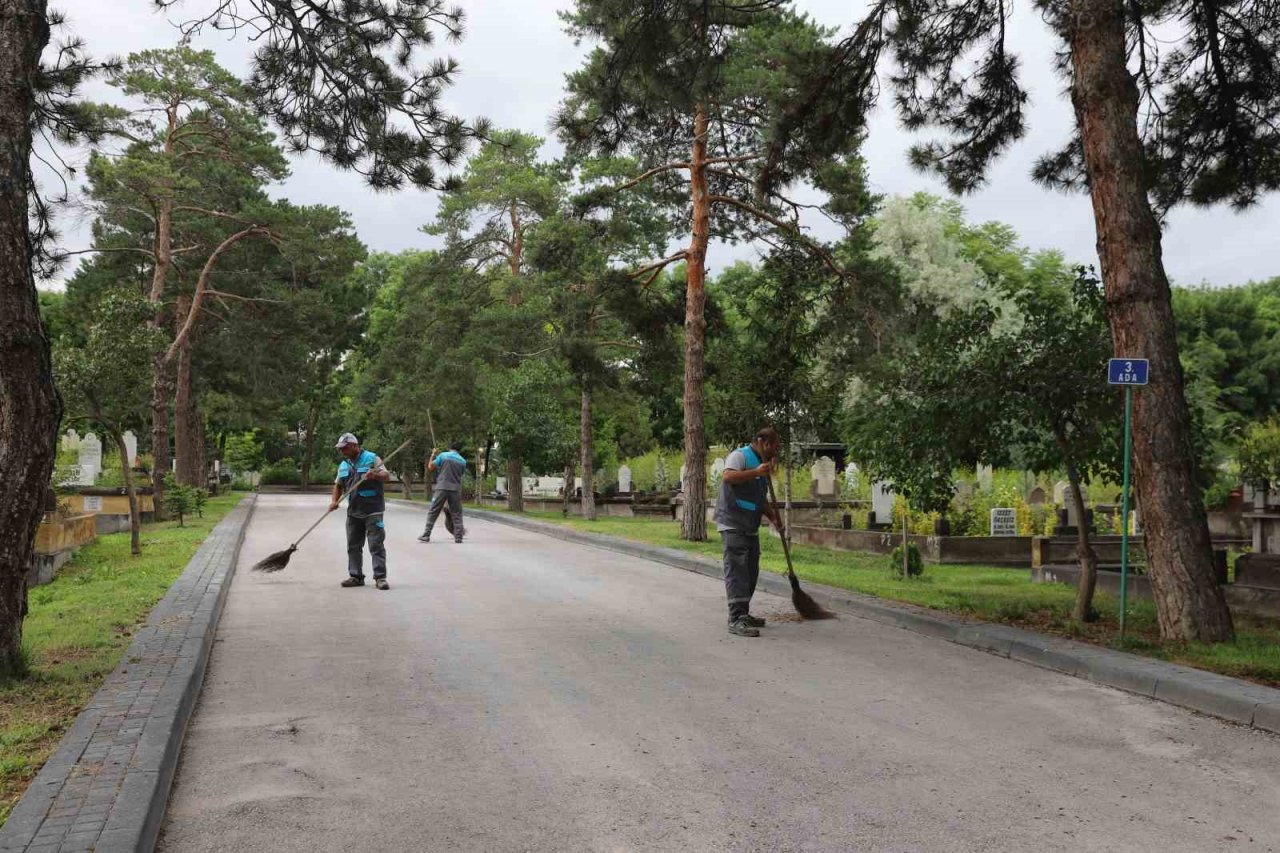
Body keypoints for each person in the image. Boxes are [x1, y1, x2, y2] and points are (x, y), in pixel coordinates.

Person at [713, 427, 785, 637]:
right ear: (764, 443)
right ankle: (736, 618)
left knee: (751, 571)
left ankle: (744, 613)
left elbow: (760, 498)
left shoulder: (762, 466)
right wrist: (756, 472)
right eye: (774, 447)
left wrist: (773, 518)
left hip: (750, 524)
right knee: (737, 571)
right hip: (733, 522)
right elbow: (728, 477)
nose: (775, 452)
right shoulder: (740, 456)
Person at [330, 433, 392, 590]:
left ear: (353, 446)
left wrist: (375, 475)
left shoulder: (372, 458)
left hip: (373, 510)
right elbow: (338, 485)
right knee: (353, 545)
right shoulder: (344, 465)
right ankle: (355, 576)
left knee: (376, 545)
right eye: (340, 449)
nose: (341, 451)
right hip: (354, 512)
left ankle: (380, 578)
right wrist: (334, 501)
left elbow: (386, 475)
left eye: (344, 448)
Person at [418, 442, 467, 544]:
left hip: (442, 487)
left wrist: (433, 454)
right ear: (459, 450)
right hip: (455, 489)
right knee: (457, 513)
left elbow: (430, 467)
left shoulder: (443, 455)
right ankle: (458, 537)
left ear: (450, 448)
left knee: (433, 510)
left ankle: (426, 535)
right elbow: (460, 474)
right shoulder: (463, 461)